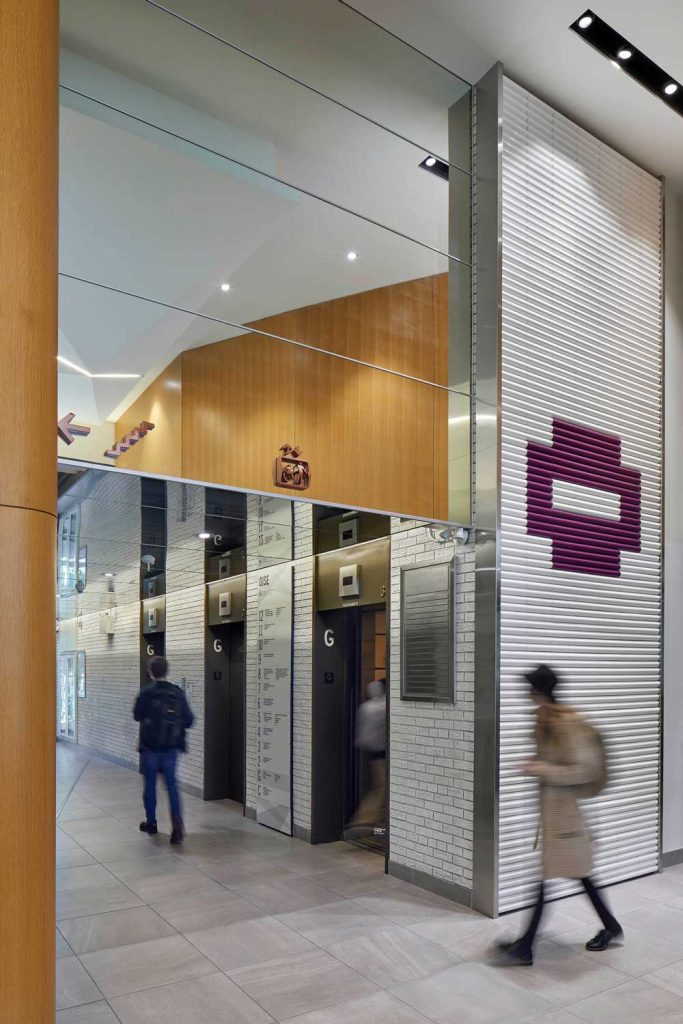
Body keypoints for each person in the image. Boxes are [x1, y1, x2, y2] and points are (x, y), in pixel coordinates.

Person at [498, 664, 622, 966]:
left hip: (566, 817)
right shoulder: (545, 719)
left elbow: (584, 770)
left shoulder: (564, 723)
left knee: (547, 877)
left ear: (539, 691)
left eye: (530, 687)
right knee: (581, 874)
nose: (527, 693)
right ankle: (611, 926)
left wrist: (541, 768)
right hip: (555, 814)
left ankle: (525, 947)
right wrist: (539, 761)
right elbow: (557, 759)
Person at [133, 655, 194, 845]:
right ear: (167, 671)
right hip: (171, 749)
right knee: (171, 786)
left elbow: (137, 715)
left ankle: (151, 823)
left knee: (150, 786)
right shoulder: (177, 693)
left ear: (150, 672)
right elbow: (190, 720)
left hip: (150, 749)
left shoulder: (145, 693)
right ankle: (177, 828)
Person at [349, 678, 387, 832]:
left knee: (378, 785)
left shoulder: (365, 707)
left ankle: (373, 820)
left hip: (368, 750)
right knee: (381, 787)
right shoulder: (383, 706)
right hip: (381, 752)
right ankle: (364, 820)